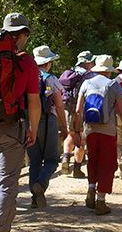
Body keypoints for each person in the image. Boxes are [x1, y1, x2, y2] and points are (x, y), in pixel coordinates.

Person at [0, 13, 41, 231]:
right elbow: (33, 101)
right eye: (26, 35)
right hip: (12, 126)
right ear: (21, 35)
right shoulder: (27, 62)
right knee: (6, 182)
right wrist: (32, 129)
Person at [73, 55, 122, 215]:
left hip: (89, 130)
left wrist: (77, 131)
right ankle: (101, 201)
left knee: (93, 161)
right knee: (107, 164)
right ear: (110, 71)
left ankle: (91, 188)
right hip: (108, 131)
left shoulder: (87, 83)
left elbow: (78, 110)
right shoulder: (114, 85)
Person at [28, 45, 68, 209]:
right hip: (47, 120)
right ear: (49, 62)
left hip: (29, 122)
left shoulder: (27, 76)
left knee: (34, 161)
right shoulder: (51, 79)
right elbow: (59, 105)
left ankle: (35, 198)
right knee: (52, 160)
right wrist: (64, 127)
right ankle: (41, 184)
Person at [60, 51, 96, 178]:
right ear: (86, 62)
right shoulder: (88, 76)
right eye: (91, 61)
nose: (92, 64)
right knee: (80, 139)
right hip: (80, 109)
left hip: (67, 108)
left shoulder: (70, 72)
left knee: (70, 135)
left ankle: (65, 158)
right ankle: (77, 169)